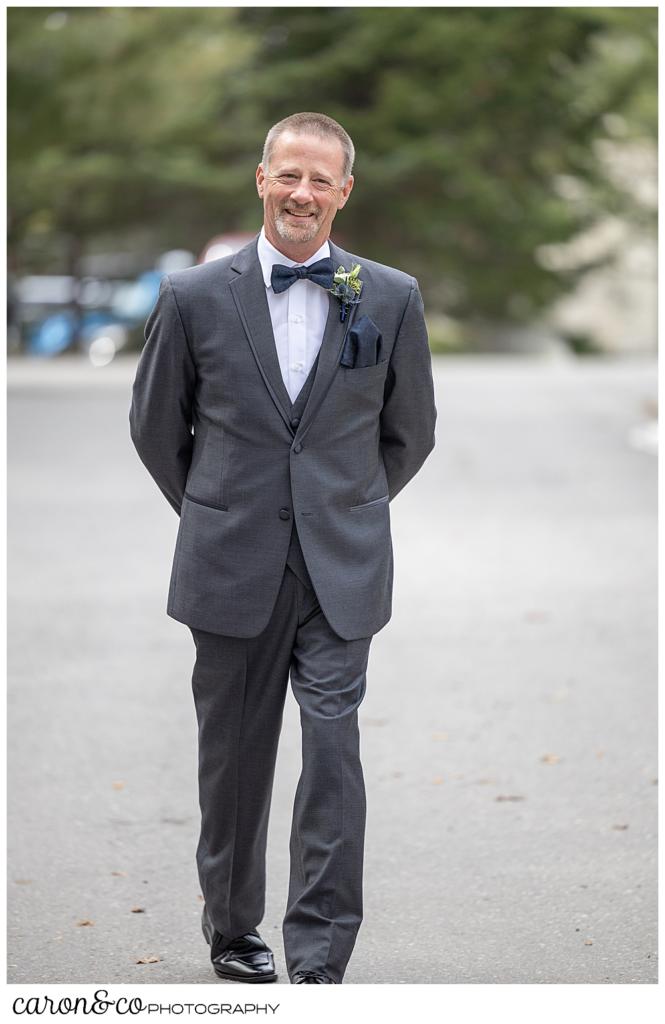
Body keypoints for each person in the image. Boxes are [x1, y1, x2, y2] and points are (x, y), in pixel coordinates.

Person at [129, 111, 437, 985]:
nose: (302, 193)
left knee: (333, 752)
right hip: (230, 562)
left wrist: (341, 507)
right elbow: (158, 428)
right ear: (261, 179)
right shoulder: (192, 297)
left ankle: (320, 951)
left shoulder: (389, 296)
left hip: (342, 565)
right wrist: (219, 511)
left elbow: (407, 434)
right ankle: (232, 929)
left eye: (320, 180)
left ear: (344, 192)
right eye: (288, 175)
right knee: (234, 754)